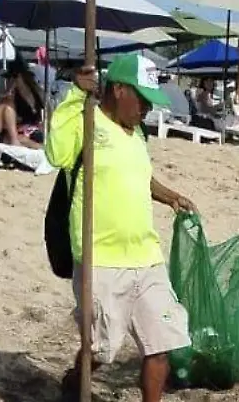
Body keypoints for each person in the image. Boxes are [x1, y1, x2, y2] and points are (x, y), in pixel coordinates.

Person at [45, 54, 196, 402]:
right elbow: (56, 153)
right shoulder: (86, 123)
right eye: (141, 99)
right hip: (101, 258)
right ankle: (74, 383)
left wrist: (169, 195)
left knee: (161, 343)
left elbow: (140, 177)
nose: (146, 108)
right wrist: (75, 97)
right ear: (118, 90)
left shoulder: (138, 132)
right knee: (100, 349)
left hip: (146, 256)